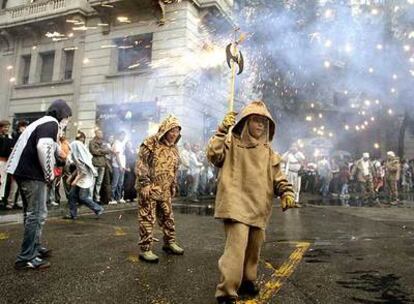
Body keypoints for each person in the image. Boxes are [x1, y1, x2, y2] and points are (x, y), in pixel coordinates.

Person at [207, 101, 296, 304]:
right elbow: (214, 156)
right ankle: (227, 291)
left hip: (259, 207)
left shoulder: (269, 153)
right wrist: (221, 131)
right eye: (256, 120)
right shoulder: (231, 143)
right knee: (236, 251)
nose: (260, 125)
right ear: (246, 122)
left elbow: (278, 178)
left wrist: (286, 193)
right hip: (235, 204)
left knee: (254, 249)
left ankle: (248, 281)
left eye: (264, 122)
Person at [6, 99, 72, 270]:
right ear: (61, 114)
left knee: (32, 215)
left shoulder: (43, 123)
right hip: (32, 174)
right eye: (67, 118)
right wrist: (49, 174)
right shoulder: (51, 123)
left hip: (23, 172)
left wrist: (62, 155)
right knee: (37, 214)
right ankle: (27, 256)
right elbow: (43, 147)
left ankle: (34, 247)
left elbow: (53, 146)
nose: (67, 122)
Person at [135, 115, 184, 263]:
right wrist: (144, 183)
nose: (174, 134)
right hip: (149, 188)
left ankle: (169, 242)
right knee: (147, 218)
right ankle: (145, 249)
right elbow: (141, 163)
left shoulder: (174, 148)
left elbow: (174, 168)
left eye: (177, 131)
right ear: (165, 130)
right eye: (172, 131)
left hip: (165, 189)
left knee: (168, 216)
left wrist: (173, 185)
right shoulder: (151, 143)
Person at [64, 131, 104, 220]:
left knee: (83, 197)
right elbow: (79, 169)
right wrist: (71, 177)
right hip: (80, 177)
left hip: (85, 179)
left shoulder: (81, 158)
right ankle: (72, 214)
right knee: (72, 195)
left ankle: (98, 208)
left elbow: (84, 172)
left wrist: (75, 180)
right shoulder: (77, 156)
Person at [89, 129, 112, 203]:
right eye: (100, 133)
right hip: (95, 163)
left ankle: (96, 198)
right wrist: (102, 151)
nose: (101, 134)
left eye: (102, 133)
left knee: (99, 182)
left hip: (102, 164)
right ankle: (90, 198)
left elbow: (108, 150)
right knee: (93, 182)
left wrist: (100, 151)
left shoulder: (104, 142)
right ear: (96, 134)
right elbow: (93, 151)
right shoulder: (92, 142)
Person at [110, 131, 127, 204]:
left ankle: (118, 197)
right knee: (115, 183)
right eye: (122, 135)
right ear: (119, 135)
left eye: (124, 136)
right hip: (117, 166)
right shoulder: (116, 143)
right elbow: (117, 156)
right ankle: (111, 198)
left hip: (122, 166)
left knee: (120, 183)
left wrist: (123, 166)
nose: (123, 137)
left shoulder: (121, 144)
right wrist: (120, 165)